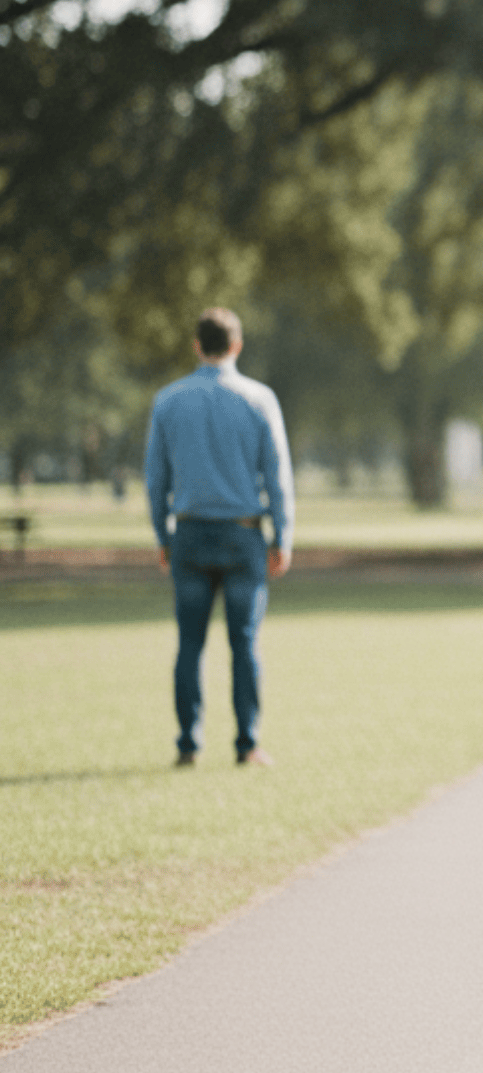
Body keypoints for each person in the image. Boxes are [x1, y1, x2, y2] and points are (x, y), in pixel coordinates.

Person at [144, 308, 294, 767]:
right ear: (237, 346)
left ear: (196, 346)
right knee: (244, 643)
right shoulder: (258, 399)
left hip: (188, 533)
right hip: (242, 535)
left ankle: (188, 743)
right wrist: (282, 536)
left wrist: (161, 535)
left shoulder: (168, 400)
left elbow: (155, 478)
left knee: (189, 644)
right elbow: (277, 474)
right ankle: (247, 743)